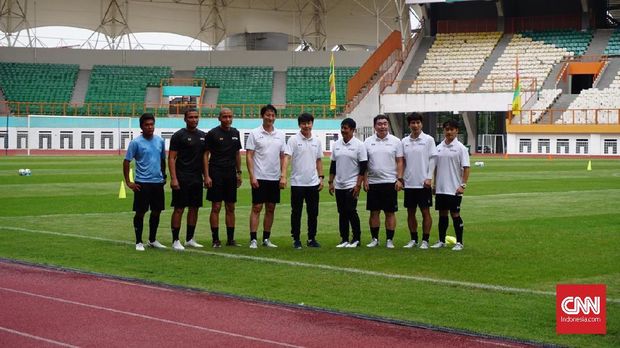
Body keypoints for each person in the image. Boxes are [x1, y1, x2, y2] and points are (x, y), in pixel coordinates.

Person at [123, 113, 167, 251]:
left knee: (157, 211)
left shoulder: (160, 141)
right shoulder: (135, 142)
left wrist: (164, 176)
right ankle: (138, 241)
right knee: (141, 212)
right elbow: (126, 161)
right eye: (147, 125)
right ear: (141, 126)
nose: (150, 127)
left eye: (152, 124)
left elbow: (162, 159)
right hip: (142, 182)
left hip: (157, 182)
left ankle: (152, 240)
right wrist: (129, 182)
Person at [245, 104, 287, 249]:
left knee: (271, 208)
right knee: (257, 207)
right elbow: (249, 156)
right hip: (259, 176)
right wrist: (252, 176)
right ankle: (253, 239)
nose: (270, 118)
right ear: (262, 116)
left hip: (274, 177)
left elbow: (283, 156)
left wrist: (283, 175)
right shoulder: (254, 133)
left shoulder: (280, 134)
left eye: (273, 115)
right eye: (268, 115)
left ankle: (266, 238)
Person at [427, 119, 470, 251]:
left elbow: (466, 168)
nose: (449, 132)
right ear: (444, 131)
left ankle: (460, 242)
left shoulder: (461, 148)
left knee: (455, 214)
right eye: (447, 129)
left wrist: (463, 185)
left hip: (454, 188)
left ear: (457, 131)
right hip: (441, 188)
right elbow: (435, 168)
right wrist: (434, 185)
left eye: (452, 129)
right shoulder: (438, 148)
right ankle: (441, 240)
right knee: (442, 214)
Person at [284, 112, 324, 249]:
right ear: (299, 125)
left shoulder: (317, 141)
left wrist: (321, 177)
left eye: (309, 123)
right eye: (303, 123)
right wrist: (283, 175)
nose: (306, 126)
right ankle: (296, 239)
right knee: (296, 212)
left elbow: (319, 160)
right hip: (297, 183)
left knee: (313, 212)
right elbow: (287, 157)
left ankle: (311, 238)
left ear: (312, 124)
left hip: (313, 183)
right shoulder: (293, 140)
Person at [203, 108, 243, 248]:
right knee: (216, 206)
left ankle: (230, 239)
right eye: (224, 117)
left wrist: (239, 172)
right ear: (219, 118)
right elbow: (205, 155)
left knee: (230, 206)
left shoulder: (235, 133)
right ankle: (215, 240)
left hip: (230, 173)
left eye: (229, 116)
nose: (227, 119)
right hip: (216, 172)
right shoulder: (213, 134)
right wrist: (206, 175)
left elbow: (237, 154)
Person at [363, 114, 404, 248]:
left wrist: (399, 179)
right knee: (374, 212)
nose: (382, 126)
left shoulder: (396, 141)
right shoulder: (367, 142)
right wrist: (365, 179)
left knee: (390, 212)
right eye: (379, 124)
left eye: (385, 123)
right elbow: (364, 163)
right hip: (373, 182)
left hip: (390, 182)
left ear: (388, 125)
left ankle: (389, 240)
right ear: (375, 126)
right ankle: (375, 239)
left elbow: (399, 161)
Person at [168, 108, 206, 251]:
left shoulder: (203, 136)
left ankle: (189, 239)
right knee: (179, 209)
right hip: (182, 177)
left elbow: (204, 158)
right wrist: (174, 178)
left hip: (196, 178)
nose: (194, 120)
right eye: (191, 117)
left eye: (196, 117)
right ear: (185, 119)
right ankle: (175, 240)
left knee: (194, 208)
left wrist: (205, 176)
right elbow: (171, 158)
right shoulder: (178, 136)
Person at [328, 118, 367, 248]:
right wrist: (330, 182)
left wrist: (358, 185)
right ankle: (344, 239)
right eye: (342, 127)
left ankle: (356, 238)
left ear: (352, 130)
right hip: (339, 184)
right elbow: (333, 164)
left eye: (346, 128)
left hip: (352, 184)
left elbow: (363, 167)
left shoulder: (359, 145)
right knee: (342, 212)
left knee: (351, 211)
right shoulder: (337, 144)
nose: (343, 130)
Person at [401, 113, 436, 250]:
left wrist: (429, 177)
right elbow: (402, 161)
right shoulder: (404, 141)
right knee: (410, 212)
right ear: (409, 124)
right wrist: (402, 178)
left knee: (425, 212)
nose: (415, 125)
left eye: (418, 122)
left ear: (421, 124)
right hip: (409, 183)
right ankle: (413, 239)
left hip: (423, 183)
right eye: (412, 123)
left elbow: (433, 159)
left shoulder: (428, 140)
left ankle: (425, 240)